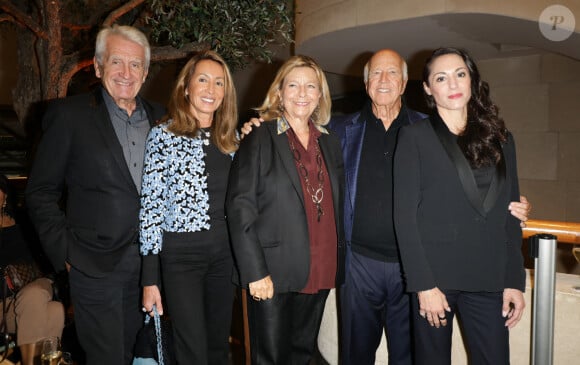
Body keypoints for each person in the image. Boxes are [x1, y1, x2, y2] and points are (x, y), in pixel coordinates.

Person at [242, 48, 531, 365]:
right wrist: (258, 127)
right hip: (359, 265)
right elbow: (295, 147)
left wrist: (512, 205)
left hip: (415, 266)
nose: (383, 80)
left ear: (406, 82)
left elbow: (480, 185)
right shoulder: (336, 132)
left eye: (392, 72)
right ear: (366, 83)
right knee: (356, 354)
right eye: (375, 73)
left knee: (409, 356)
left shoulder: (429, 128)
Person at [25, 25, 165, 365]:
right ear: (98, 66)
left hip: (151, 268)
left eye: (135, 65)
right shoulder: (69, 116)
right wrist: (67, 254)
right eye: (116, 62)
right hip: (93, 265)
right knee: (106, 357)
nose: (126, 73)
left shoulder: (164, 119)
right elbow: (40, 192)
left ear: (145, 72)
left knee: (142, 354)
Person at [393, 47, 526, 365]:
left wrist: (513, 280)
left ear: (472, 80)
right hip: (436, 279)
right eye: (441, 77)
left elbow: (510, 215)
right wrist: (423, 285)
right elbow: (405, 217)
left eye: (460, 74)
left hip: (489, 278)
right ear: (427, 88)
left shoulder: (503, 139)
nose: (452, 84)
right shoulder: (414, 137)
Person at [226, 55, 345, 365]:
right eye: (293, 85)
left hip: (321, 267)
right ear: (279, 91)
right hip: (272, 272)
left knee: (303, 356)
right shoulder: (260, 136)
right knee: (271, 358)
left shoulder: (330, 142)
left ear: (320, 94)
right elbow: (240, 206)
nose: (302, 93)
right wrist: (255, 272)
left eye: (311, 86)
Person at [139, 50, 238, 365]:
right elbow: (151, 210)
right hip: (182, 260)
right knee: (192, 351)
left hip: (225, 257)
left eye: (219, 83)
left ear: (226, 93)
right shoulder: (163, 136)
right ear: (186, 87)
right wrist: (150, 278)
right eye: (203, 80)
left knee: (219, 348)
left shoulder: (232, 140)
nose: (211, 90)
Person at [0, 175, 65, 365]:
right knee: (54, 311)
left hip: (34, 285)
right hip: (4, 305)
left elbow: (47, 261)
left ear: (5, 196)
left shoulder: (25, 223)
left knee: (34, 295)